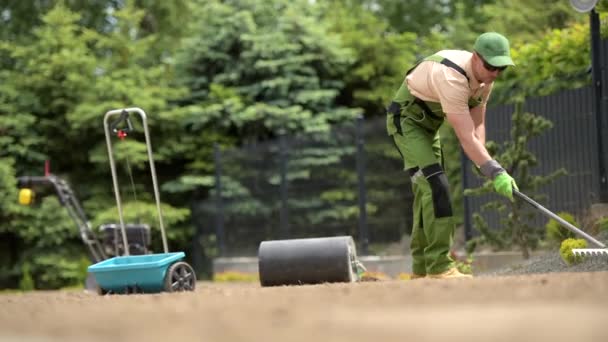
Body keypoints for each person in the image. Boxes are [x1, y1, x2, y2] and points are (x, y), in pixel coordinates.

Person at [386, 32, 518, 279]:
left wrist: (485, 165)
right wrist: (495, 170)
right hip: (406, 121)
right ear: (476, 58)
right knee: (436, 185)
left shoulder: (485, 81)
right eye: (491, 66)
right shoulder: (452, 77)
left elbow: (477, 126)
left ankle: (421, 269)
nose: (495, 73)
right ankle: (439, 266)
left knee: (427, 192)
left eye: (501, 68)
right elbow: (465, 136)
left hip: (428, 128)